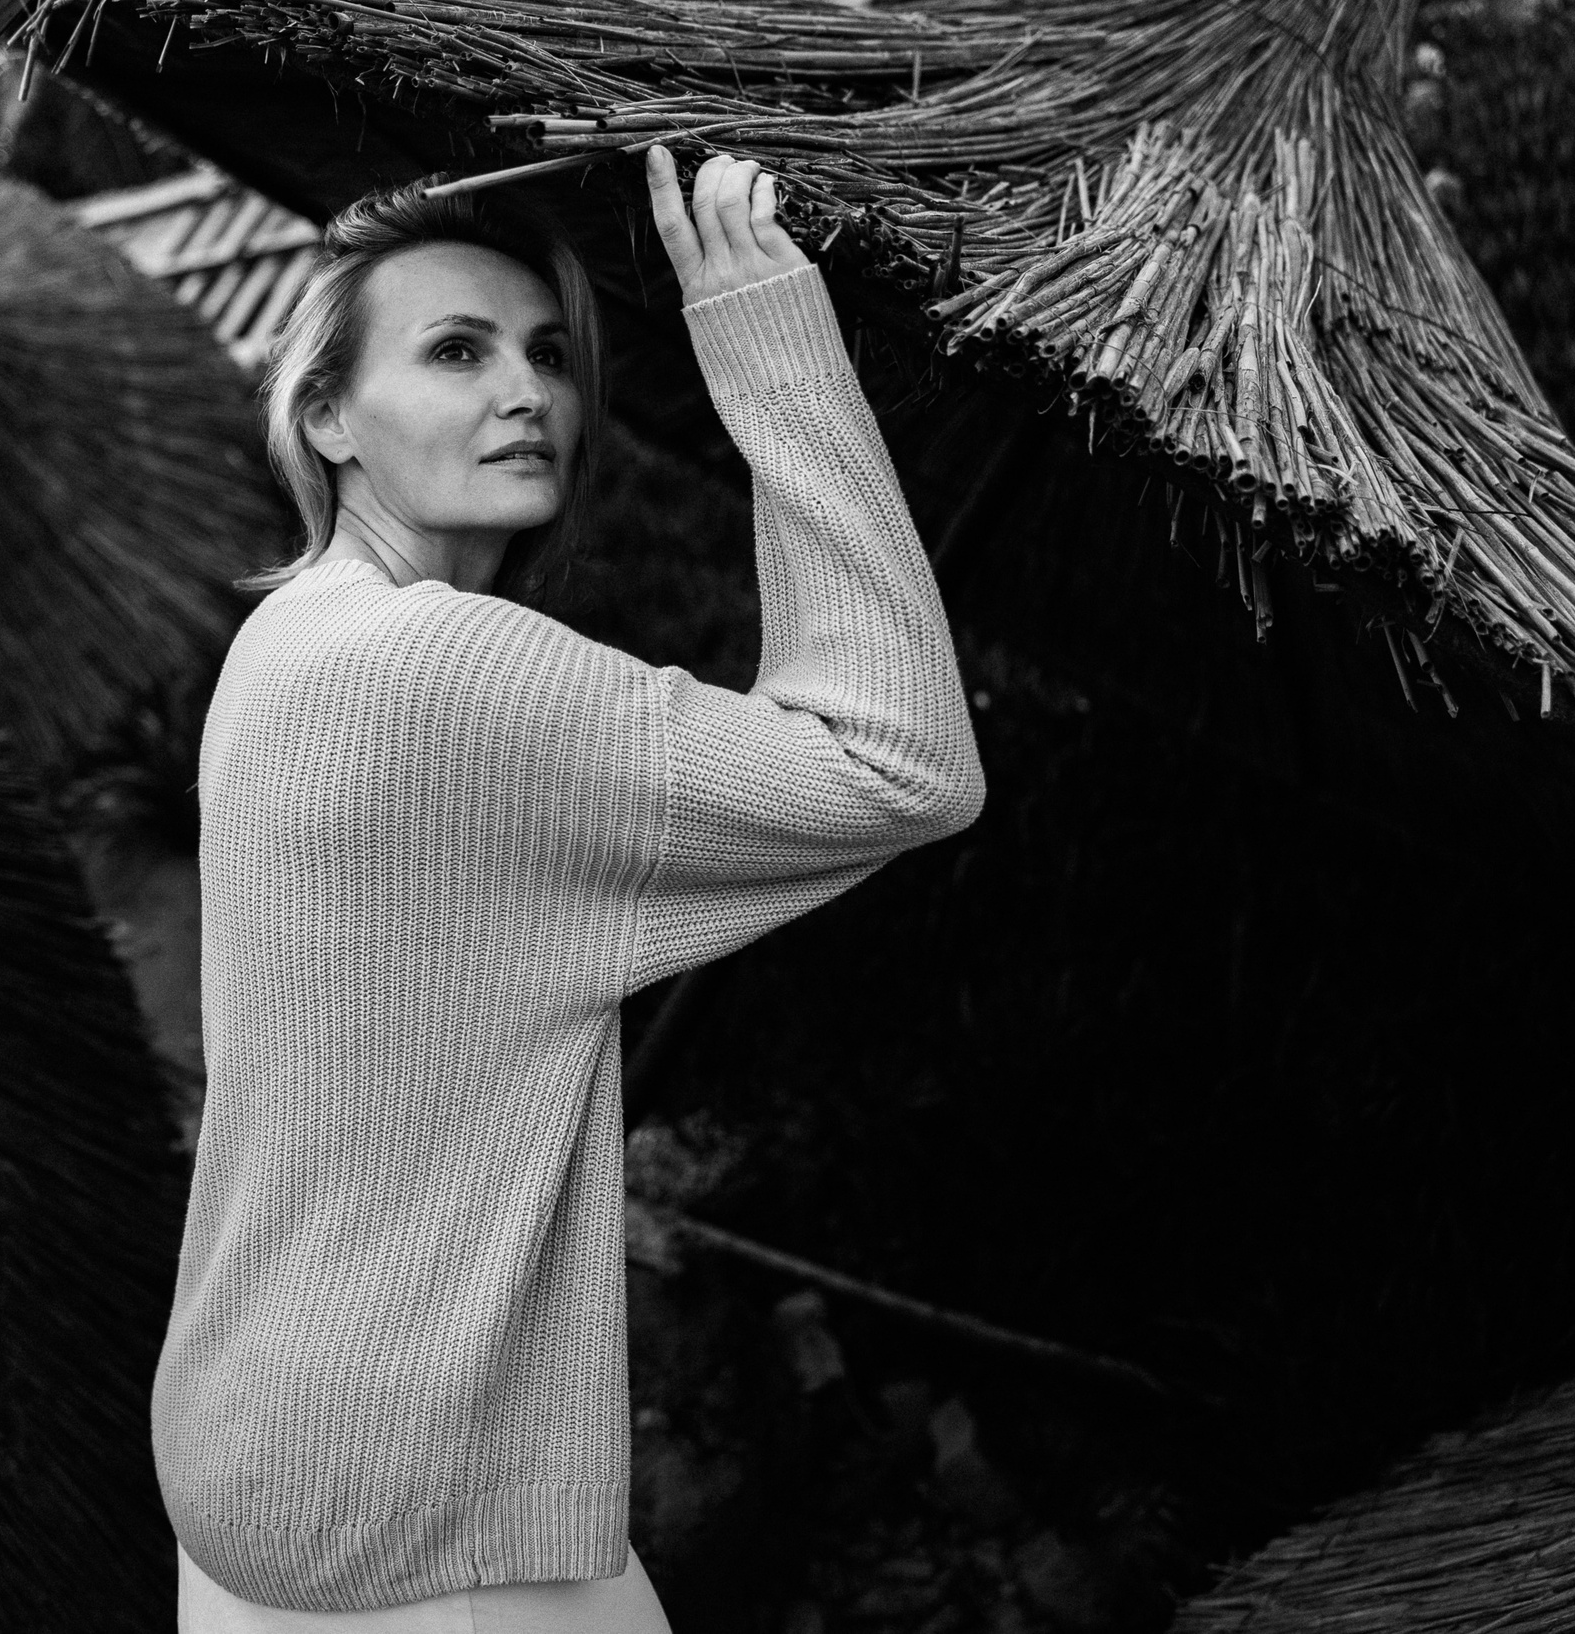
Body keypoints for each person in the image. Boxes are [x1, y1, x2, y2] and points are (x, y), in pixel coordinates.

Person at [160, 145, 985, 1632]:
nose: (526, 390)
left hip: (258, 1449)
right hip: (430, 1517)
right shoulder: (440, 668)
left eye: (548, 352)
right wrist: (773, 350)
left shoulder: (287, 639)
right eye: (457, 351)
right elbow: (904, 758)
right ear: (328, 413)